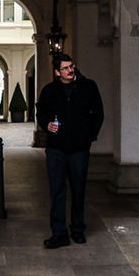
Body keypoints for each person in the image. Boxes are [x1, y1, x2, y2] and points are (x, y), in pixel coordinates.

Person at [36, 52, 104, 248]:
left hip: (79, 149)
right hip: (56, 149)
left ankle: (77, 229)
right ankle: (59, 233)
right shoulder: (49, 90)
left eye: (71, 66)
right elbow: (41, 111)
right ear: (57, 72)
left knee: (78, 189)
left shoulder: (88, 87)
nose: (70, 70)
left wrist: (89, 137)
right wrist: (46, 124)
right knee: (57, 190)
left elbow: (98, 113)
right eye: (65, 68)